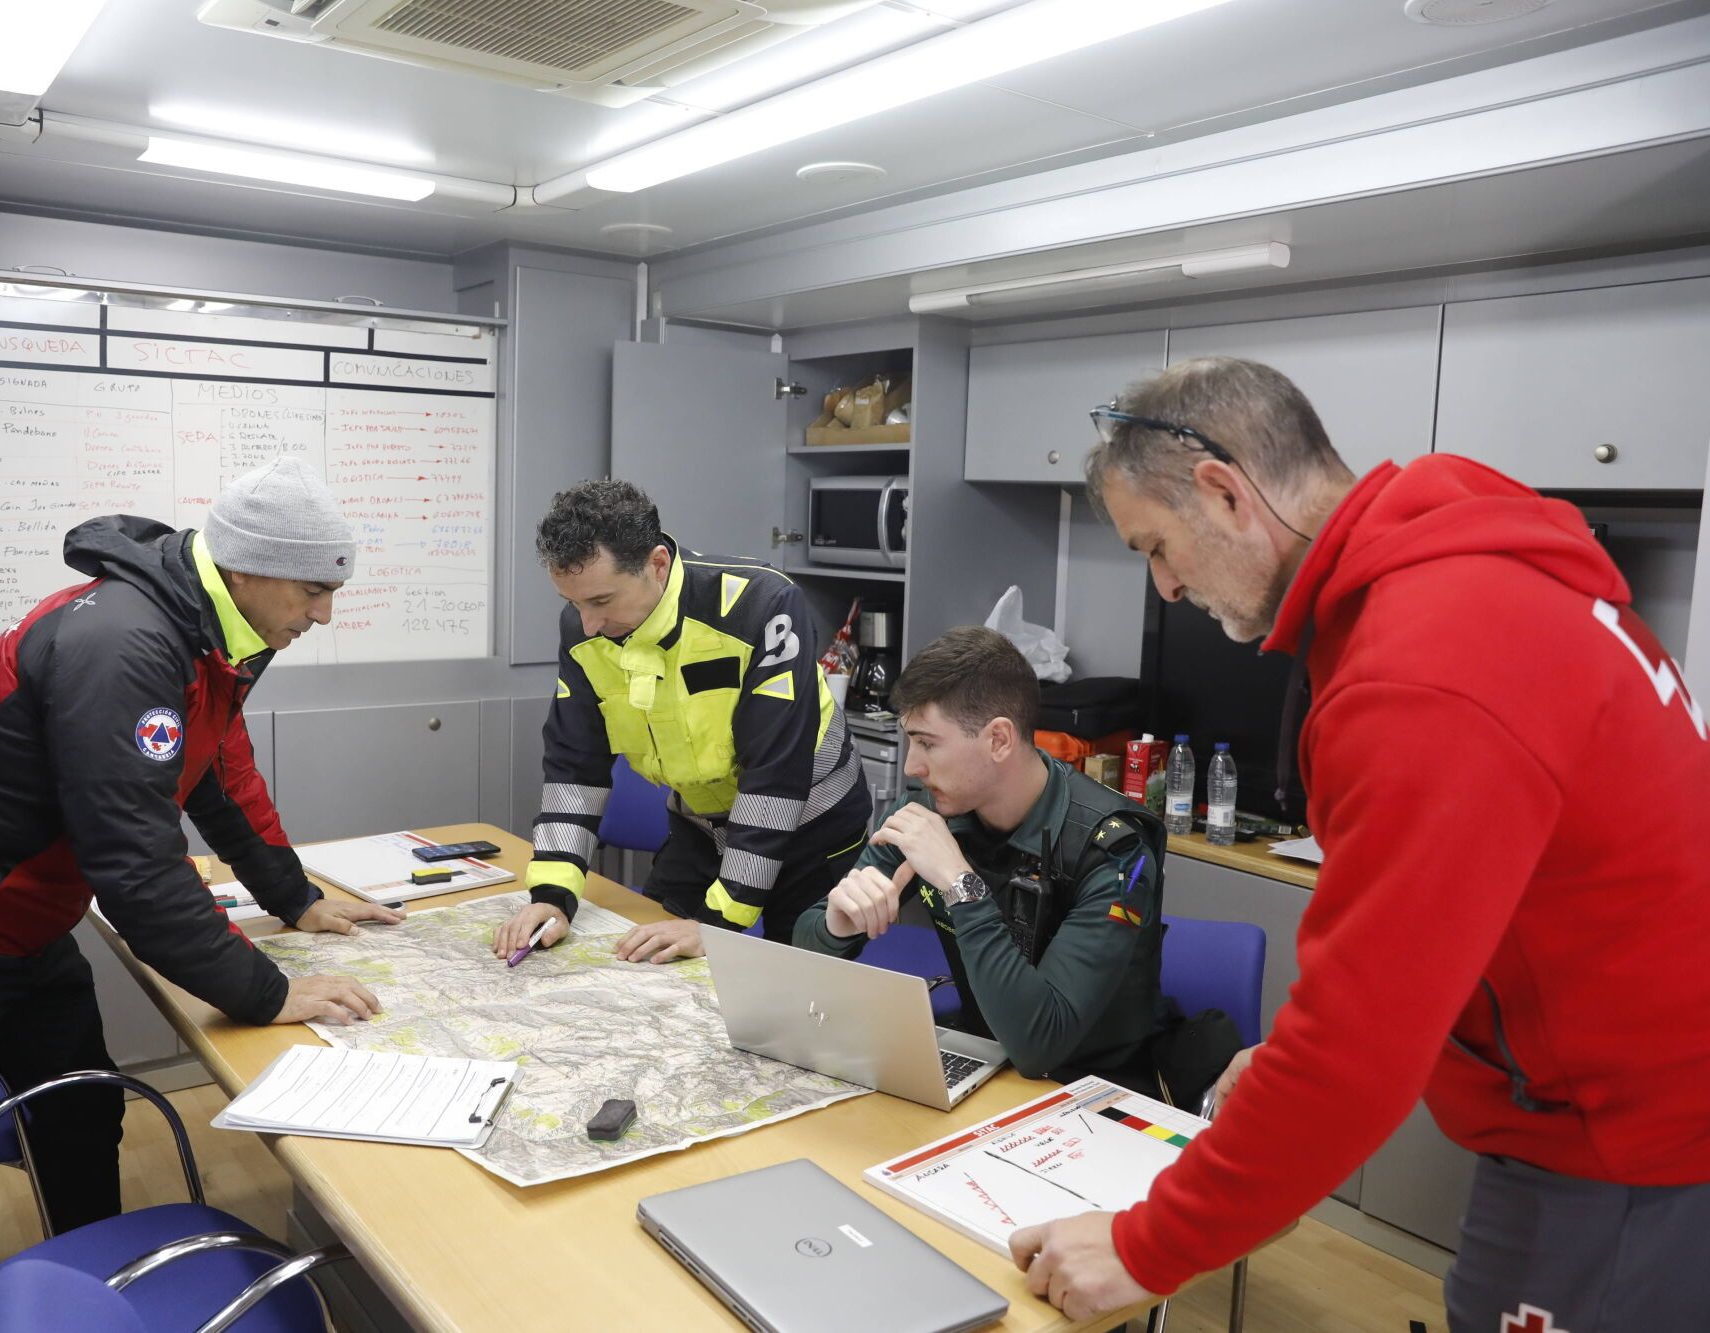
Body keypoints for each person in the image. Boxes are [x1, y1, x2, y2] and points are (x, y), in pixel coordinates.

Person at [1012, 356, 1710, 1331]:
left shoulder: (1418, 666)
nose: (1163, 586)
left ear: (1222, 492)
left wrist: (1145, 1246)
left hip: (1623, 1151)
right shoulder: (1468, 580)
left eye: (1154, 547)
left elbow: (1356, 1044)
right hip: (1609, 1119)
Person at [0, 457, 401, 1248]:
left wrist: (296, 899)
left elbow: (218, 770)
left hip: (18, 921)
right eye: (313, 591)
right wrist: (265, 991)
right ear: (249, 570)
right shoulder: (123, 641)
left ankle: (91, 1276)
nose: (323, 614)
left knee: (81, 1110)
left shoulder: (212, 629)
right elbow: (135, 862)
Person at [492, 479, 872, 965]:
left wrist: (718, 926)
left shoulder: (761, 605)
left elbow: (776, 777)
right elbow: (573, 766)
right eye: (573, 603)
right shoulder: (586, 630)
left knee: (790, 994)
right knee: (642, 955)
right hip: (702, 825)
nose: (585, 624)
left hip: (812, 828)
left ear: (657, 565)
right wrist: (552, 894)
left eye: (601, 601)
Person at [792, 626, 1170, 1084]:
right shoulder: (932, 805)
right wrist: (838, 924)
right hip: (983, 1065)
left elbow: (1039, 1045)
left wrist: (960, 885)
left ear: (998, 740)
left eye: (928, 743)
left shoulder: (1116, 852)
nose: (912, 765)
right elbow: (806, 952)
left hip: (1095, 1093)